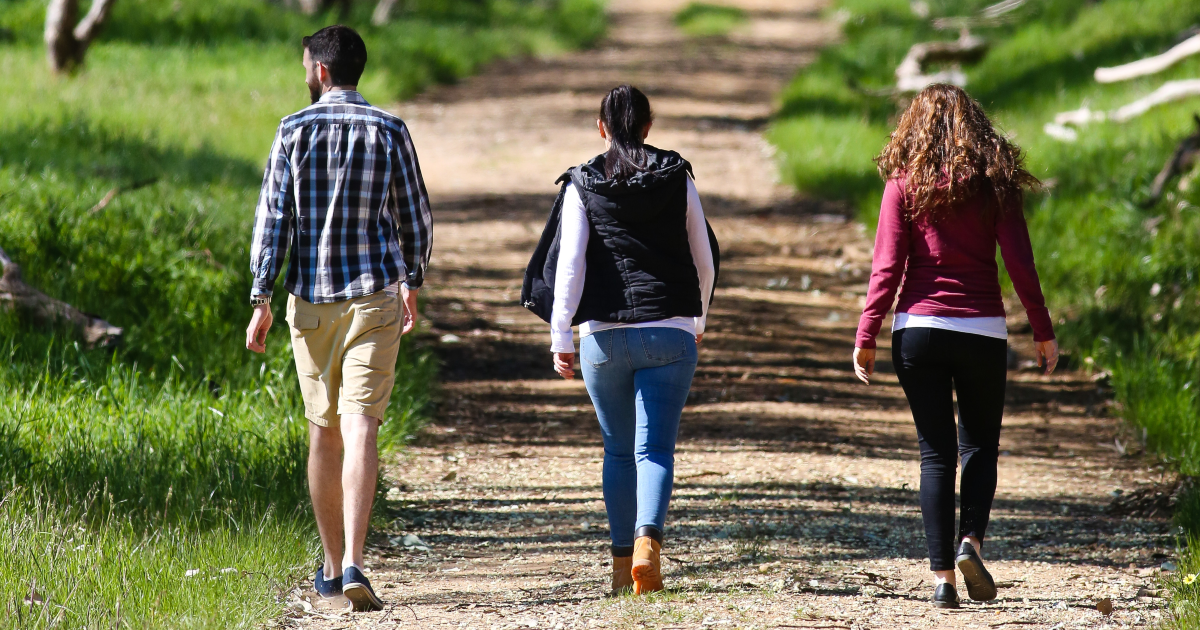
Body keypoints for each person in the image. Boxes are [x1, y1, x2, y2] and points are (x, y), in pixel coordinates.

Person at [244, 25, 432, 613]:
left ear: (320, 71)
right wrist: (413, 279)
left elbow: (273, 219)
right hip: (373, 295)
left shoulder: (291, 130)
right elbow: (415, 216)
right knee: (363, 427)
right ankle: (355, 558)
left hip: (309, 302)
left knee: (323, 430)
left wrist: (261, 296)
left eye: (306, 65)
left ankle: (329, 569)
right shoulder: (390, 130)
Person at [852, 84, 1058, 609]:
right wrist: (1042, 329)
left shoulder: (903, 183)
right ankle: (971, 542)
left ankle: (943, 578)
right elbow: (1020, 264)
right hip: (982, 330)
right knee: (979, 446)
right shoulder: (995, 185)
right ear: (977, 128)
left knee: (935, 454)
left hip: (917, 331)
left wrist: (867, 332)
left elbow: (887, 267)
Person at [521, 85, 717, 596]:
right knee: (655, 448)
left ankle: (618, 564)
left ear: (601, 127)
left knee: (617, 451)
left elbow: (569, 266)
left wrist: (560, 335)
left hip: (603, 339)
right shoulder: (678, 175)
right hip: (669, 330)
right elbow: (704, 257)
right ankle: (649, 543)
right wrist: (697, 319)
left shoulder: (581, 183)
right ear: (648, 126)